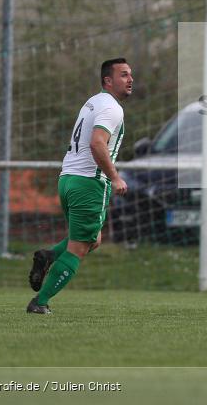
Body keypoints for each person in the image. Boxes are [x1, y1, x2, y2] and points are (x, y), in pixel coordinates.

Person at [26, 58, 133, 314]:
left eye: (131, 75)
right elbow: (98, 143)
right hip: (89, 183)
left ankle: (48, 256)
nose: (130, 80)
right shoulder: (112, 108)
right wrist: (115, 177)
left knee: (92, 238)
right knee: (80, 247)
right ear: (108, 80)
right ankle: (39, 304)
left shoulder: (93, 102)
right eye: (124, 75)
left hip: (68, 179)